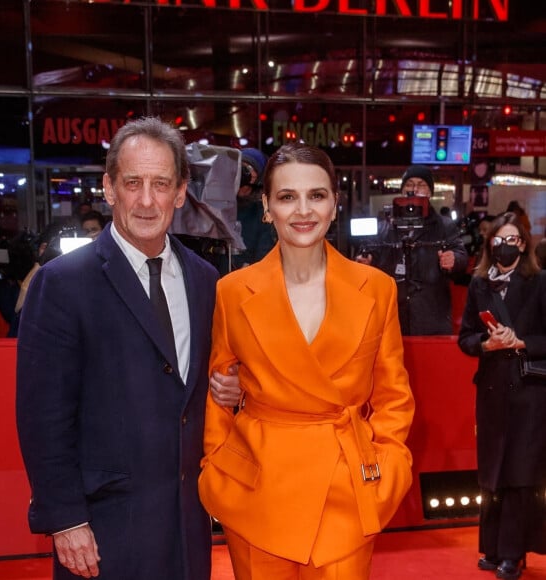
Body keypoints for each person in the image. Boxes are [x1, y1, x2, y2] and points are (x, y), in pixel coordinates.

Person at [16, 116, 239, 580]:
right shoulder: (62, 284)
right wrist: (66, 519)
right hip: (102, 531)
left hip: (186, 527)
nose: (145, 200)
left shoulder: (205, 281)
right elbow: (42, 416)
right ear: (109, 188)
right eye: (132, 182)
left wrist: (231, 390)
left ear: (180, 193)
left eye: (160, 184)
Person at [198, 143, 415, 580]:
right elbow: (217, 389)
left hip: (346, 490)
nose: (303, 210)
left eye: (316, 195)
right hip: (258, 490)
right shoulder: (233, 291)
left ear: (335, 203)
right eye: (287, 196)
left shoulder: (376, 288)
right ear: (266, 206)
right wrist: (217, 465)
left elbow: (394, 395)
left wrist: (388, 469)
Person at [458, 211, 546, 580]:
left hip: (530, 393)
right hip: (492, 391)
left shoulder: (540, 283)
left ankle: (514, 552)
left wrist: (522, 342)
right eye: (498, 240)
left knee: (519, 473)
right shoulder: (479, 285)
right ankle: (492, 549)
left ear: (523, 244)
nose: (504, 246)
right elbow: (464, 338)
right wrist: (487, 343)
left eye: (511, 240)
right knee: (492, 472)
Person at [356, 164, 468, 335]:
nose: (414, 189)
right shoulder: (385, 226)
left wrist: (454, 259)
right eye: (409, 184)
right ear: (402, 190)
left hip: (431, 316)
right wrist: (366, 261)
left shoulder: (444, 225)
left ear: (430, 192)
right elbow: (370, 254)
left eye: (421, 185)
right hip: (392, 317)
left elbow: (461, 257)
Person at [232, 147, 276, 269]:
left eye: (249, 169)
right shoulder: (221, 205)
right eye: (241, 167)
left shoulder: (263, 211)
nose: (243, 174)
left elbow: (264, 254)